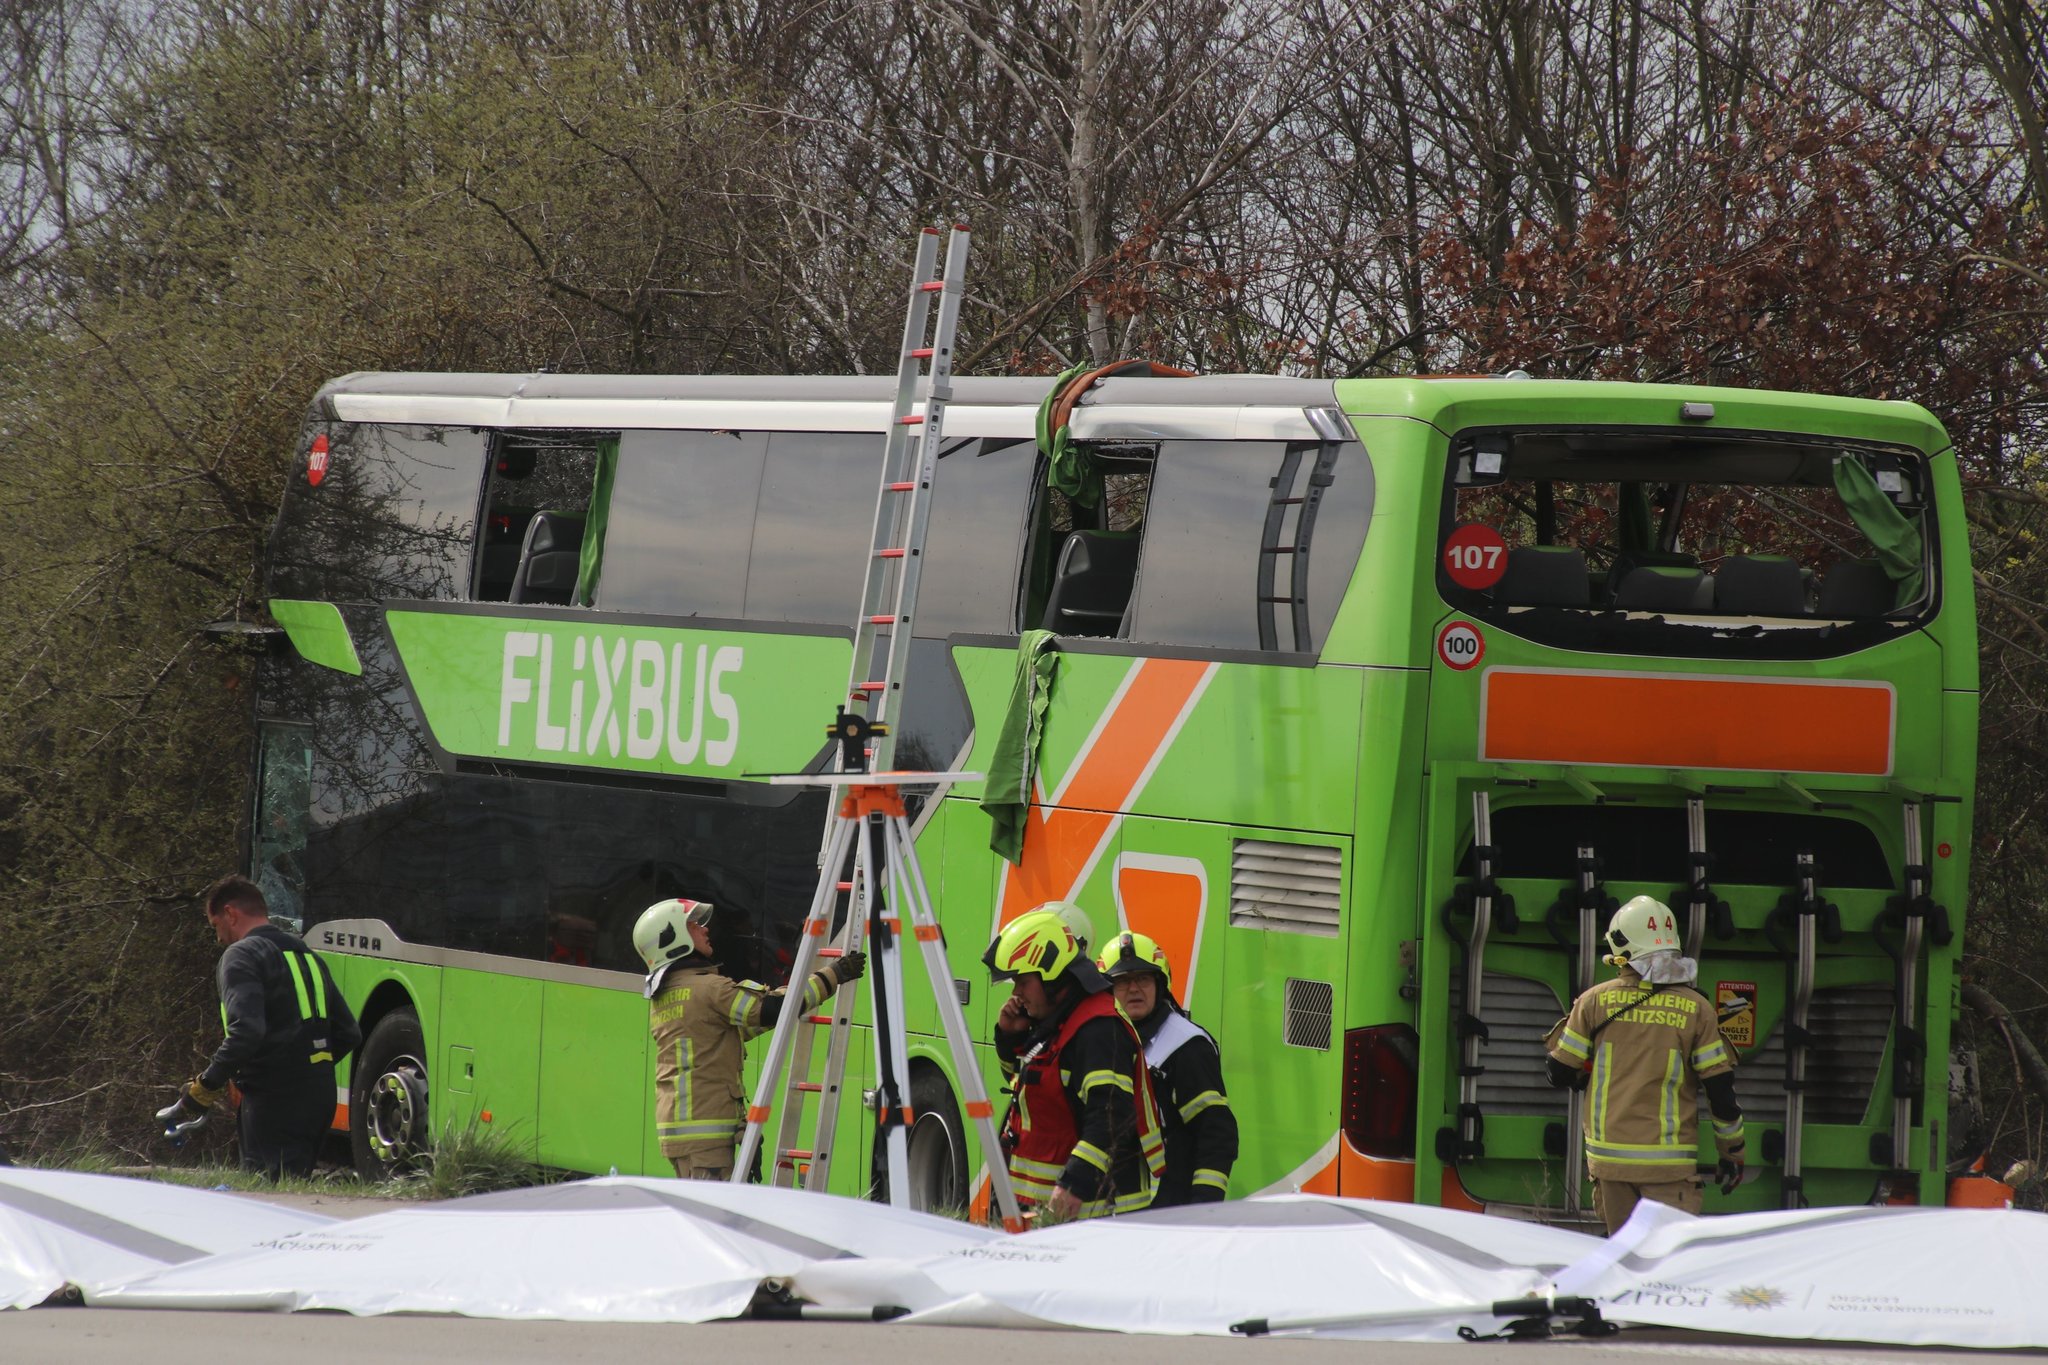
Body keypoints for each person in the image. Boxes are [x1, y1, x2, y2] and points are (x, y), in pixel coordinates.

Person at [1545, 894, 1746, 1234]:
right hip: (1669, 1172)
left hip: (1610, 1168)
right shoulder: (1697, 1009)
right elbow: (1720, 1091)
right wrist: (1732, 1152)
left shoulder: (1594, 1002)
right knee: (1664, 1271)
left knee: (1622, 1265)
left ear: (1621, 948)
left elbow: (1559, 1072)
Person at [633, 897, 865, 1181]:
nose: (705, 930)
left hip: (687, 1133)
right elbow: (772, 1009)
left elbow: (731, 1033)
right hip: (706, 1139)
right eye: (693, 925)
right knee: (714, 1217)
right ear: (673, 938)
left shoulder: (669, 995)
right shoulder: (709, 989)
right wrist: (833, 975)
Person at [156, 875, 360, 1179]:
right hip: (320, 1095)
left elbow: (246, 1032)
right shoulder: (307, 955)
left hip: (273, 1099)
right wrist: (308, 1066)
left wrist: (207, 1086)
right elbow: (349, 1033)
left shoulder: (241, 955)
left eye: (215, 926)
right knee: (293, 1187)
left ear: (231, 913)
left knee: (267, 1193)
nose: (219, 938)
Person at [984, 906, 1164, 1220]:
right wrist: (1010, 1039)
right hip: (1056, 1216)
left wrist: (1073, 1186)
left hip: (1095, 1217)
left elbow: (1110, 1118)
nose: (1016, 992)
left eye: (1022, 981)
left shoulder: (1098, 1029)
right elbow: (1031, 1099)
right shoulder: (1060, 1022)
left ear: (1050, 975)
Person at [1096, 930, 1237, 1204]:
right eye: (1122, 981)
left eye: (1143, 979)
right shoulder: (1104, 1037)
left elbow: (1216, 1133)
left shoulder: (1186, 1045)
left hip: (1167, 1208)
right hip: (1112, 1206)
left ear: (1160, 985)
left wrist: (1204, 1204)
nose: (1134, 988)